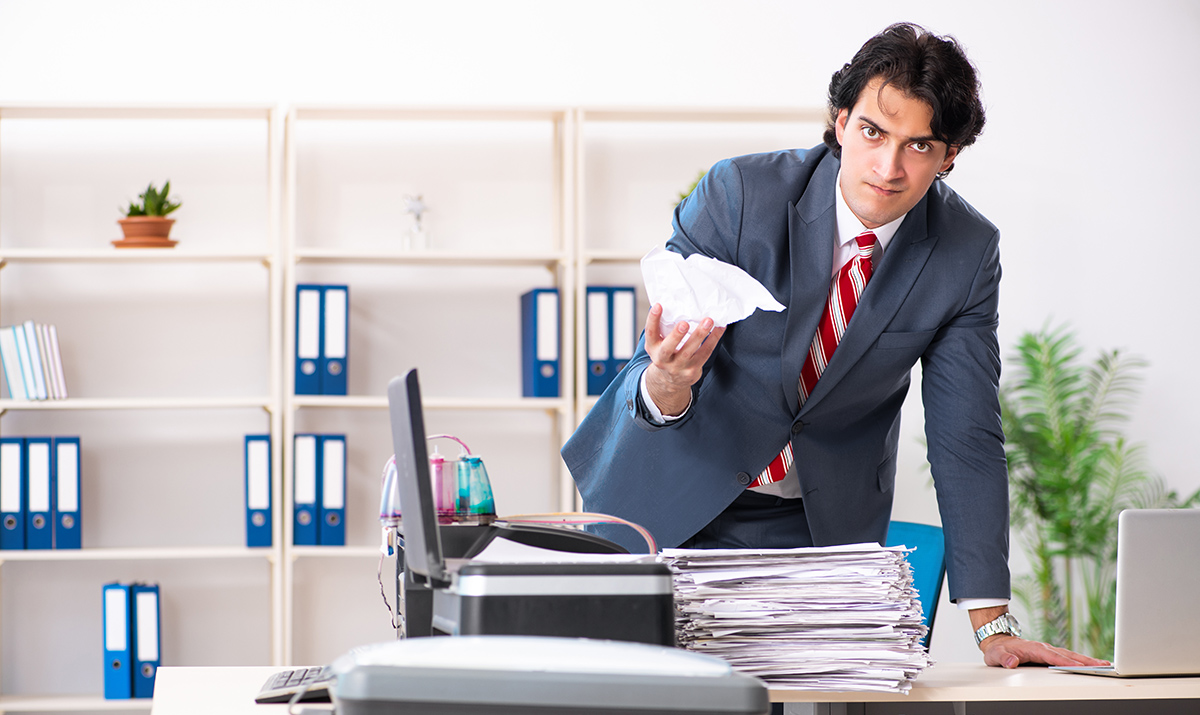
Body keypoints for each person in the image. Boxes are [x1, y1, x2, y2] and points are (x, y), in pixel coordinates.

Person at [562, 23, 1106, 669]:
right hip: (677, 499)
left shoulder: (965, 250)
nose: (888, 167)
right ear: (842, 120)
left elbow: (966, 435)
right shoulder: (739, 195)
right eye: (874, 131)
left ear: (949, 155)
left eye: (919, 145)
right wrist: (670, 381)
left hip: (816, 530)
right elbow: (652, 372)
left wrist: (992, 626)